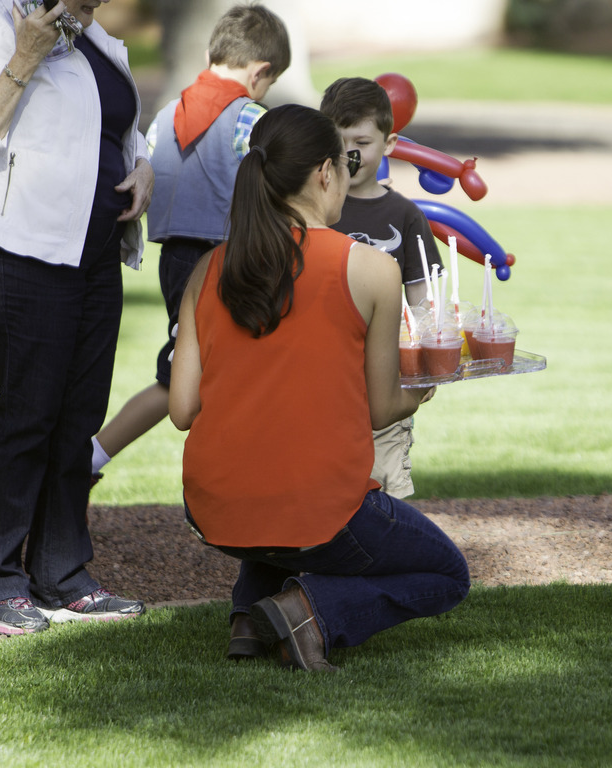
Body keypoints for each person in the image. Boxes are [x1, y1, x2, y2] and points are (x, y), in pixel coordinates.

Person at [168, 104, 470, 671]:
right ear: (325, 173)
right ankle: (310, 610)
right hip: (320, 511)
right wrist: (432, 381)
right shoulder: (370, 267)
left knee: (279, 497)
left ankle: (249, 614)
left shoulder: (209, 268)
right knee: (446, 574)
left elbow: (182, 409)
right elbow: (383, 408)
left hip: (213, 507)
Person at [0, 0, 154, 634]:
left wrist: (140, 164)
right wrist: (26, 55)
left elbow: (120, 127)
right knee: (30, 409)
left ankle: (61, 575)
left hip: (93, 252)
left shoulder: (95, 37)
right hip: (19, 247)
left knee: (79, 411)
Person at [89, 4, 290, 484]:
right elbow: (271, 192)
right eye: (268, 81)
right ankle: (233, 476)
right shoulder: (252, 120)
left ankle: (93, 454)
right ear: (260, 72)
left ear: (209, 54)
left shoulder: (165, 114)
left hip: (175, 262)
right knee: (227, 371)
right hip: (228, 261)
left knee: (182, 366)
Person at [320, 76, 444, 500]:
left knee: (386, 492)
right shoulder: (312, 208)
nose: (349, 154)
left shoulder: (405, 215)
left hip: (386, 381)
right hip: (323, 383)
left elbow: (425, 301)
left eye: (362, 141)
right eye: (338, 142)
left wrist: (429, 360)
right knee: (325, 488)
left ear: (389, 144)